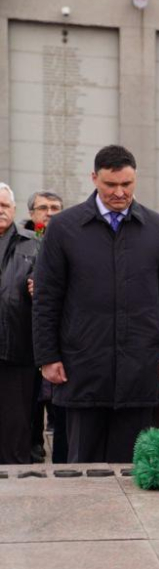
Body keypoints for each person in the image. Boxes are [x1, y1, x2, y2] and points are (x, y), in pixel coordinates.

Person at [32, 145, 159, 463]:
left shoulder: (158, 229)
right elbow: (47, 297)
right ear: (94, 178)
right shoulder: (64, 228)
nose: (119, 192)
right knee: (83, 470)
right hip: (82, 367)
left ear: (135, 179)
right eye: (110, 184)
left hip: (140, 370)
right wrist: (48, 356)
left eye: (126, 184)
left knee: (132, 470)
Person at [0, 183, 39, 464]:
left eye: (4, 205)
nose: (0, 211)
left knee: (15, 425)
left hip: (17, 349)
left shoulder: (33, 244)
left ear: (14, 210)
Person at [24, 191, 64, 462]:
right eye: (43, 208)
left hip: (60, 330)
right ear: (31, 213)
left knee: (58, 393)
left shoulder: (68, 237)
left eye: (55, 207)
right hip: (25, 331)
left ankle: (60, 444)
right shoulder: (22, 241)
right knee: (31, 395)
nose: (50, 213)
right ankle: (34, 442)